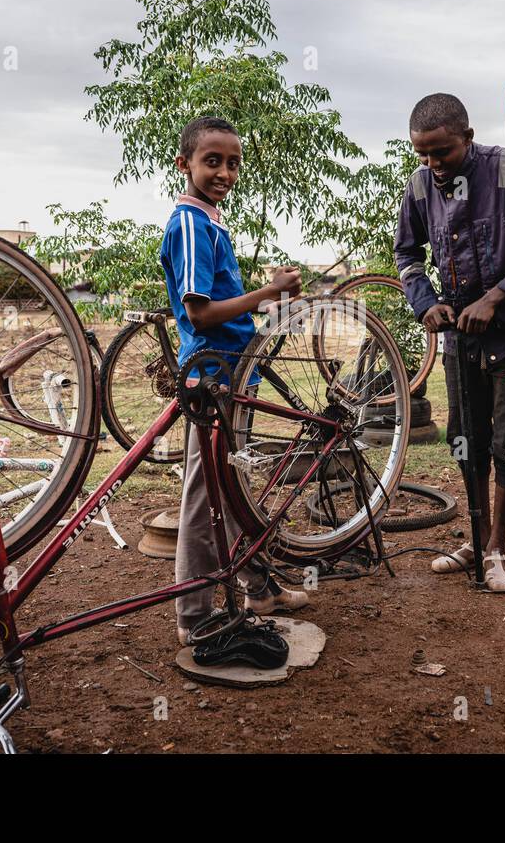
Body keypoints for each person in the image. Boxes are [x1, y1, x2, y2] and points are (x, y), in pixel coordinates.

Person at [394, 93, 505, 592]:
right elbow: (407, 254)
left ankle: (496, 549)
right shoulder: (419, 188)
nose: (433, 164)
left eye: (442, 151)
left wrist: (495, 297)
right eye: (422, 155)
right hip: (461, 344)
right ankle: (477, 537)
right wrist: (426, 304)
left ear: (467, 138)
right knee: (466, 443)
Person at [159, 115, 310, 644]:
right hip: (212, 374)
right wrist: (268, 295)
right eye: (212, 161)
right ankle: (194, 616)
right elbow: (200, 313)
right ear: (185, 165)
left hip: (230, 370)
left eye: (232, 162)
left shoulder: (211, 219)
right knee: (205, 497)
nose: (224, 171)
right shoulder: (191, 225)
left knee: (233, 486)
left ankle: (257, 585)